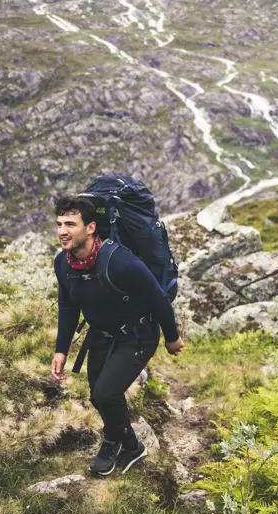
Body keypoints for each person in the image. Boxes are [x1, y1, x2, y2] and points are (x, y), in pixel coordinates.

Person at [50, 195, 184, 476]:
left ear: (90, 228)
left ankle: (118, 444)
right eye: (59, 223)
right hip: (102, 335)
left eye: (71, 224)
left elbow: (159, 300)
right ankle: (126, 444)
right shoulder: (64, 264)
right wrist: (61, 350)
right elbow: (68, 306)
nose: (62, 230)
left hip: (137, 334)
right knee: (99, 397)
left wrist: (171, 338)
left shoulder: (120, 262)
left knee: (106, 392)